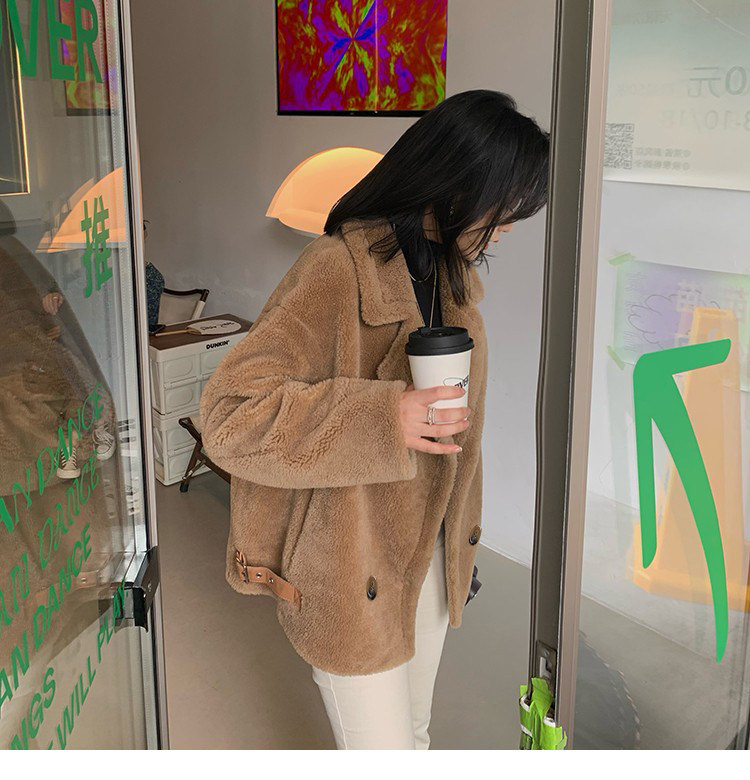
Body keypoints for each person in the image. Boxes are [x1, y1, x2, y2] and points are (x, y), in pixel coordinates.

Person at [200, 89, 549, 749]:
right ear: (457, 182)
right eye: (507, 205)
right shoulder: (336, 271)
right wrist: (384, 418)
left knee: (414, 734)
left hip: (428, 561)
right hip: (349, 566)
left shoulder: (450, 278)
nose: (509, 225)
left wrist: (456, 546)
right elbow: (229, 415)